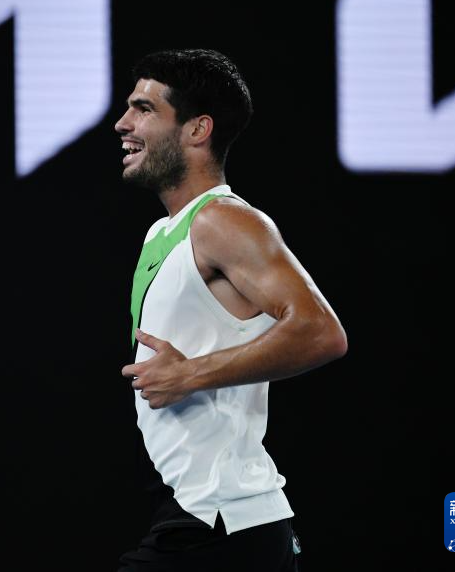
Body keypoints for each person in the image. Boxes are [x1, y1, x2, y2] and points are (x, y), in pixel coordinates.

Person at [114, 49, 347, 571]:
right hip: (204, 516)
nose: (123, 123)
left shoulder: (222, 220)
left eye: (144, 109)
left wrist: (190, 374)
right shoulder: (164, 232)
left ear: (198, 129)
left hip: (222, 523)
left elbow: (321, 331)